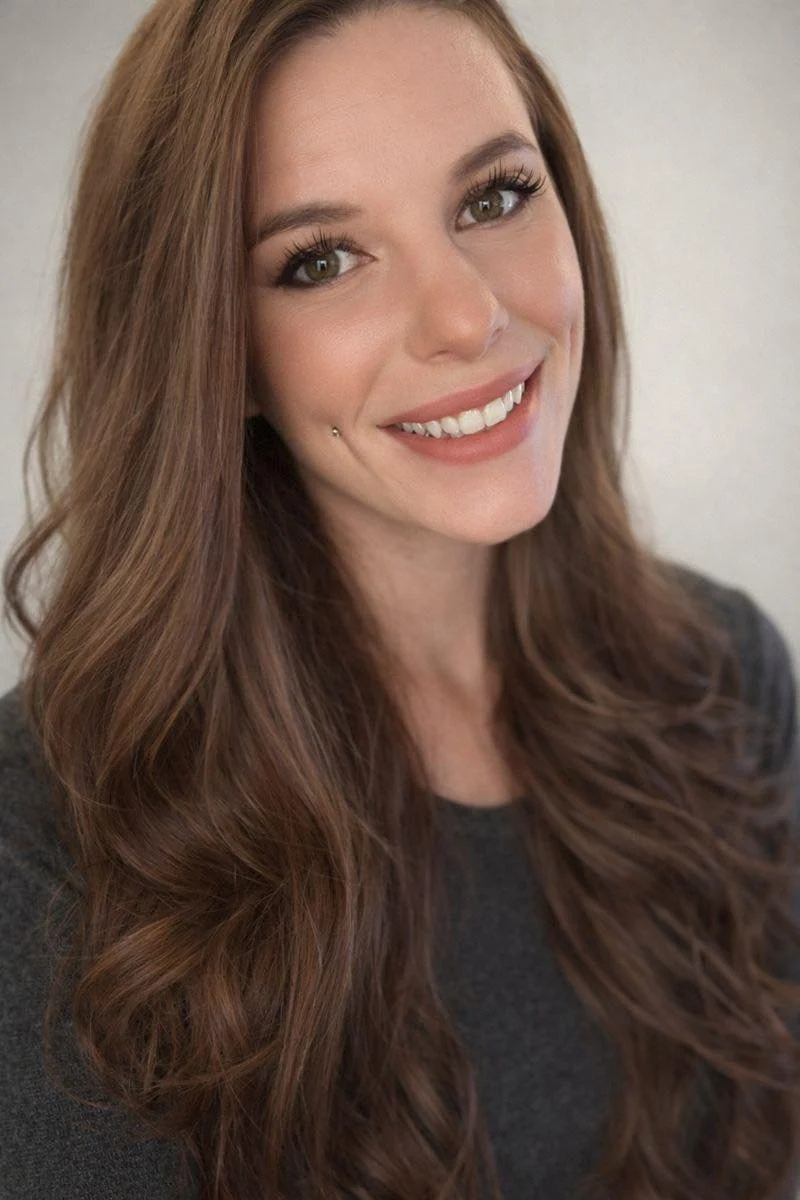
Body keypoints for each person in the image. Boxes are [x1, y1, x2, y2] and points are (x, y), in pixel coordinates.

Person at [1, 0, 799, 1197]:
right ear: (213, 348)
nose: (468, 318)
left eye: (493, 197)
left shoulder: (720, 670)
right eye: (320, 261)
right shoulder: (44, 841)